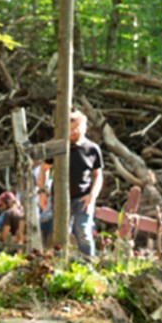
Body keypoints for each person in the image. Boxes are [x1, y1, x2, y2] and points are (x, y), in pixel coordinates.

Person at [68, 110, 104, 258]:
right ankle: (57, 265)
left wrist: (92, 197)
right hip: (60, 197)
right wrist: (42, 192)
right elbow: (44, 169)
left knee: (82, 231)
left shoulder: (92, 149)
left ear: (85, 128)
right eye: (70, 128)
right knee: (57, 232)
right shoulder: (59, 147)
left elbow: (98, 175)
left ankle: (89, 265)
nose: (74, 131)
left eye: (77, 127)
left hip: (82, 197)